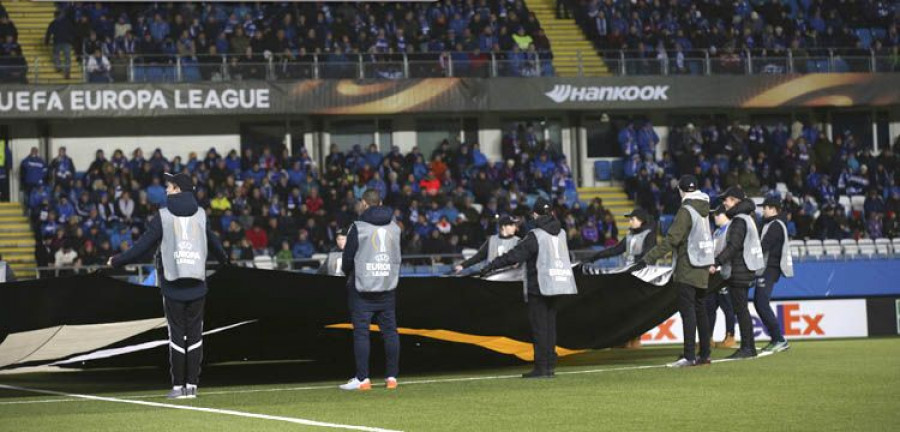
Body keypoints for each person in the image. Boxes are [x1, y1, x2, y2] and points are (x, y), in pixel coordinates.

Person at [108, 172, 229, 399]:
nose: (166, 190)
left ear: (178, 190)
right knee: (195, 336)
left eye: (170, 186)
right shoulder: (202, 215)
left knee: (176, 336)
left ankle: (177, 388)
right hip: (197, 285)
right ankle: (192, 386)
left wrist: (116, 261)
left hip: (173, 286)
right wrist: (226, 262)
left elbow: (142, 247)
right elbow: (216, 245)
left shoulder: (162, 216)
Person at [479, 198, 578, 378]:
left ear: (535, 214)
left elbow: (515, 255)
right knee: (550, 327)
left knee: (540, 328)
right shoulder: (561, 232)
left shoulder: (536, 235)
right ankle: (549, 366)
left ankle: (541, 368)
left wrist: (491, 266)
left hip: (539, 285)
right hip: (558, 283)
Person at [638, 175, 714, 368]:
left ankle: (689, 356)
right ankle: (704, 354)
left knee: (688, 313)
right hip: (703, 265)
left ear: (681, 190)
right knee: (700, 311)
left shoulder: (686, 210)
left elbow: (672, 240)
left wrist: (648, 258)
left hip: (688, 266)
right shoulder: (705, 209)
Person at [339, 189, 401, 391]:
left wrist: (347, 272)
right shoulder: (395, 227)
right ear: (380, 202)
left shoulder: (358, 227)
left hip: (362, 287)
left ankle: (363, 379)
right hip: (387, 285)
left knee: (361, 334)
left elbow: (348, 258)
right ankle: (391, 377)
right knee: (390, 332)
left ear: (364, 204)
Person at [580, 207, 656, 349]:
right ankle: (624, 339)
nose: (630, 222)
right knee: (626, 309)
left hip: (640, 277)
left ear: (641, 220)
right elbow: (616, 249)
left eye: (633, 219)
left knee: (636, 310)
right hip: (627, 275)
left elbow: (649, 255)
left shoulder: (649, 235)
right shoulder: (630, 234)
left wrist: (637, 267)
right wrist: (595, 256)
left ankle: (635, 340)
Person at [711, 188, 765, 359]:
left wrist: (717, 262)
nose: (724, 203)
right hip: (744, 269)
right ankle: (749, 347)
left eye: (726, 200)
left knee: (741, 310)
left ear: (734, 200)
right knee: (742, 310)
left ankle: (748, 348)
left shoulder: (739, 220)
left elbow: (733, 247)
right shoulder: (747, 217)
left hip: (739, 270)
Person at [757, 196, 794, 353]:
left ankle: (779, 338)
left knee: (762, 303)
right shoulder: (772, 224)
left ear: (773, 209)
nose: (763, 210)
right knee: (761, 303)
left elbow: (763, 246)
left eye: (765, 207)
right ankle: (776, 338)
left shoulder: (775, 225)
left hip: (769, 269)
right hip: (767, 268)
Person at [706, 206, 737, 349]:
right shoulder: (717, 232)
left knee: (727, 307)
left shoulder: (731, 229)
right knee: (710, 307)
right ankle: (708, 338)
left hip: (725, 273)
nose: (714, 217)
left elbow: (731, 250)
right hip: (714, 274)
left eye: (716, 215)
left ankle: (730, 336)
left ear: (724, 215)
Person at [454, 215, 520, 274]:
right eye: (511, 225)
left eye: (514, 225)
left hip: (510, 276)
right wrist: (463, 265)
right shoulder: (492, 240)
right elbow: (479, 256)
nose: (514, 227)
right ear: (503, 227)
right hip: (492, 276)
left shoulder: (518, 241)